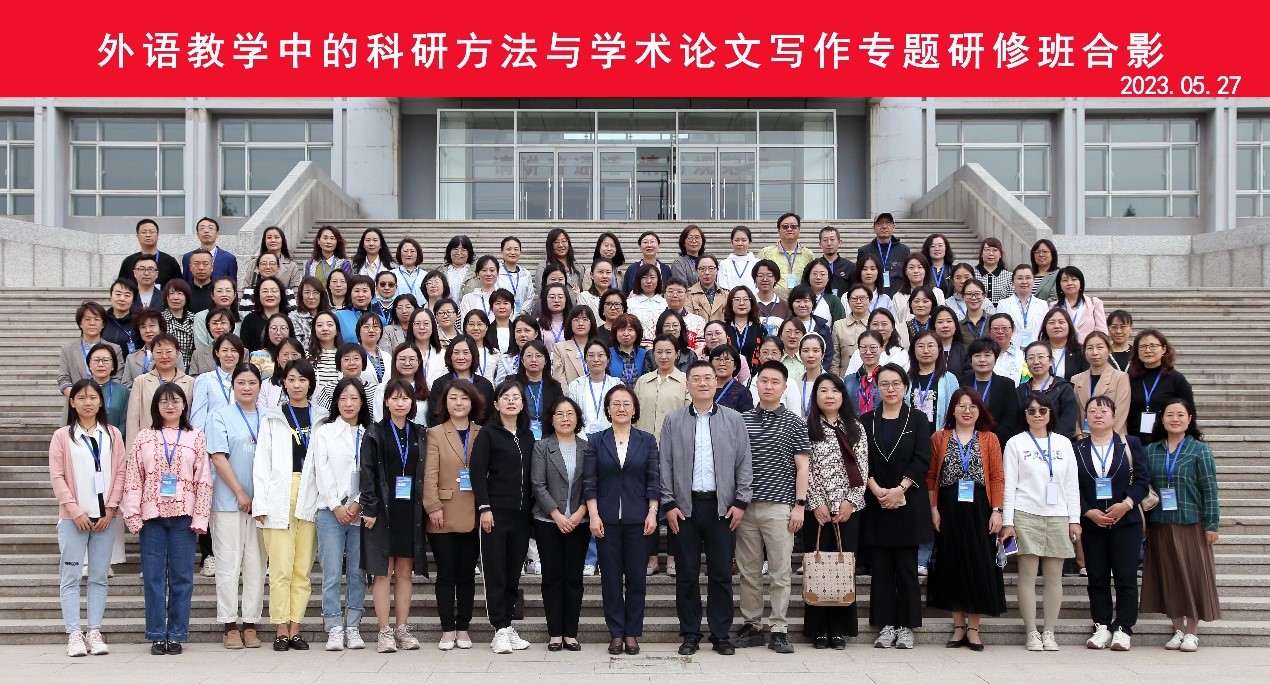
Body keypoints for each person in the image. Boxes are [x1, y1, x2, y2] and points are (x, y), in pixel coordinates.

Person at [660, 362, 753, 656]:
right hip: (684, 509)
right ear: (687, 385)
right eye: (696, 379)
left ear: (716, 383)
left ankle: (721, 633)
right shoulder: (673, 420)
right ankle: (690, 633)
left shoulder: (734, 419)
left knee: (721, 573)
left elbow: (744, 462)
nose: (702, 383)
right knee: (686, 574)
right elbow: (665, 464)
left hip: (721, 508)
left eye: (708, 378)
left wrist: (740, 502)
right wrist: (669, 503)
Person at [120, 383, 212, 655]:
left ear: (184, 405)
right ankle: (157, 634)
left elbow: (204, 479)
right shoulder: (144, 437)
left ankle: (177, 634)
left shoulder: (196, 436)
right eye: (164, 402)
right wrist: (133, 515)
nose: (170, 406)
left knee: (182, 578)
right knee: (153, 578)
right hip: (153, 519)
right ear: (156, 407)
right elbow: (134, 477)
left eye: (175, 401)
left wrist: (201, 518)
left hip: (184, 518)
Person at [732, 361, 809, 655]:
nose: (768, 386)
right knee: (749, 571)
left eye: (775, 382)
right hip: (746, 507)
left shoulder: (794, 422)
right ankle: (752, 625)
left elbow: (803, 467)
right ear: (756, 384)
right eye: (764, 381)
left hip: (780, 507)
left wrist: (799, 506)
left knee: (779, 572)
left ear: (784, 387)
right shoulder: (742, 420)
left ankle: (778, 628)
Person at [49, 379, 127, 657]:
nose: (87, 402)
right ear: (72, 402)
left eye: (93, 397)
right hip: (74, 520)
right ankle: (74, 633)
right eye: (81, 398)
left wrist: (111, 508)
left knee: (98, 577)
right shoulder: (62, 436)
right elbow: (57, 477)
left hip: (105, 519)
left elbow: (121, 472)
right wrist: (75, 511)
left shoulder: (113, 434)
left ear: (100, 401)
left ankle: (94, 630)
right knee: (71, 576)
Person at [926, 389, 1007, 652]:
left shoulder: (989, 439)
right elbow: (931, 476)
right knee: (952, 564)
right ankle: (958, 626)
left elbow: (996, 477)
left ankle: (973, 628)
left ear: (979, 410)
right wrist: (933, 508)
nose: (967, 410)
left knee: (979, 564)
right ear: (953, 410)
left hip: (979, 508)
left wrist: (997, 510)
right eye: (961, 406)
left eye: (972, 406)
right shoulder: (939, 437)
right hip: (948, 508)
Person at [1001, 393, 1081, 652]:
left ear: (1050, 413)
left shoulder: (1063, 443)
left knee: (1054, 577)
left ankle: (1049, 631)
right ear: (1024, 415)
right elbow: (1009, 485)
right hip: (1026, 513)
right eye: (1032, 411)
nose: (1037, 415)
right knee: (1027, 575)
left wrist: (1074, 519)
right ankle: (1031, 632)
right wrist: (1008, 521)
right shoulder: (1015, 443)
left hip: (1058, 515)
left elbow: (1071, 484)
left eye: (1042, 410)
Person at [861, 363, 933, 650]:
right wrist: (877, 489)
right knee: (880, 569)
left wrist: (900, 489)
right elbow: (860, 460)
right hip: (877, 501)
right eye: (884, 384)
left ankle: (906, 626)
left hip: (908, 502)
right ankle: (885, 624)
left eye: (896, 384)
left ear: (905, 387)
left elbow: (922, 458)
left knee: (906, 569)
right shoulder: (866, 421)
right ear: (876, 388)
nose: (890, 389)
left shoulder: (918, 419)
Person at [584, 385, 660, 655]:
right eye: (615, 403)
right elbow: (590, 481)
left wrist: (653, 511)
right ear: (607, 408)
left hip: (639, 519)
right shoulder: (596, 440)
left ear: (635, 408)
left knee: (637, 579)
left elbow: (654, 479)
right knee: (611, 579)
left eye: (627, 404)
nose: (621, 408)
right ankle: (616, 632)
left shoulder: (647, 440)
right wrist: (593, 515)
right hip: (605, 520)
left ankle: (632, 633)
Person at [253, 360, 323, 651]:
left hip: (311, 492)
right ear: (284, 383)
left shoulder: (322, 418)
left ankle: (296, 627)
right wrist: (260, 503)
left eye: (302, 380)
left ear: (310, 384)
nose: (296, 385)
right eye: (291, 379)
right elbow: (262, 462)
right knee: (280, 567)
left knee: (302, 568)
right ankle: (280, 628)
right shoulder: (273, 417)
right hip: (279, 493)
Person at [1141, 398, 1220, 653]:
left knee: (1193, 577)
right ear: (1162, 419)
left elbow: (1209, 490)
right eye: (1170, 414)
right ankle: (1177, 629)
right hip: (1160, 523)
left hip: (1191, 522)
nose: (1175, 419)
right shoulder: (1151, 450)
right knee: (1169, 577)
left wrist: (1211, 524)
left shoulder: (1199, 450)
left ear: (1189, 419)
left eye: (1180, 415)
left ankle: (1192, 632)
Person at [1075, 395, 1150, 651]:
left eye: (1104, 411)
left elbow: (1142, 480)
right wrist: (1088, 511)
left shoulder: (1130, 444)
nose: (1098, 415)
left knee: (1125, 577)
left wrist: (1126, 504)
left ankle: (1124, 628)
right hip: (1092, 523)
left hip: (1126, 521)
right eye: (1092, 411)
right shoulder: (1077, 448)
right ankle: (1102, 626)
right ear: (1086, 417)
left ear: (1114, 416)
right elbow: (1071, 486)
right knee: (1096, 577)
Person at [359, 379, 426, 653]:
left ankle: (402, 628)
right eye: (395, 398)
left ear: (412, 403)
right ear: (386, 401)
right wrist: (369, 507)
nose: (400, 403)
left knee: (405, 572)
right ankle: (384, 631)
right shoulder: (375, 432)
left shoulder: (420, 432)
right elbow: (367, 472)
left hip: (410, 511)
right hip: (382, 511)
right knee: (382, 572)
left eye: (405, 398)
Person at [802, 373, 867, 649]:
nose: (829, 395)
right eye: (823, 390)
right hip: (816, 509)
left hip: (848, 509)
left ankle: (839, 629)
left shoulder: (856, 427)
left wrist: (850, 502)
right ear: (815, 396)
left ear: (843, 395)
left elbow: (862, 467)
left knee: (842, 568)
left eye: (835, 390)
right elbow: (804, 468)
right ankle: (818, 629)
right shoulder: (806, 427)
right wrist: (816, 502)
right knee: (817, 567)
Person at [205, 363, 267, 650]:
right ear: (233, 386)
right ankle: (229, 625)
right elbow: (218, 457)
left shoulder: (270, 417)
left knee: (256, 564)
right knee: (228, 564)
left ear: (259, 386)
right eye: (241, 382)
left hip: (261, 506)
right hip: (228, 503)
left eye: (252, 382)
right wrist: (240, 492)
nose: (246, 387)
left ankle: (250, 624)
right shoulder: (220, 416)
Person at [472, 380, 537, 654]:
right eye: (506, 397)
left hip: (521, 516)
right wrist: (484, 508)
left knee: (513, 573)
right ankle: (498, 628)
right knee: (495, 572)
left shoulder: (528, 436)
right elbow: (477, 473)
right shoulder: (488, 434)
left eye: (516, 397)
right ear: (496, 404)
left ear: (522, 404)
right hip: (495, 514)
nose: (511, 401)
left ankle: (508, 625)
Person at [423, 380, 484, 651]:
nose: (459, 403)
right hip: (443, 513)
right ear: (445, 403)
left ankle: (463, 628)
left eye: (464, 398)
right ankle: (447, 629)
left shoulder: (482, 433)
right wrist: (432, 506)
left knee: (467, 574)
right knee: (446, 574)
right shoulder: (435, 433)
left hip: (473, 513)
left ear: (473, 402)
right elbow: (429, 474)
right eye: (453, 398)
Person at [531, 397, 591, 652]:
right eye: (559, 414)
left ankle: (570, 634)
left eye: (570, 413)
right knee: (552, 578)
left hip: (580, 522)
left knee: (574, 579)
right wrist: (556, 514)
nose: (565, 418)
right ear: (551, 419)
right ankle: (555, 633)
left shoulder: (588, 448)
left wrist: (580, 512)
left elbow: (593, 484)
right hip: (548, 521)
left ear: (577, 418)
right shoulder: (542, 447)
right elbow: (538, 485)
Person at [1127, 329, 1196, 446]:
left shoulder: (1176, 379)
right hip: (1134, 442)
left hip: (1165, 443)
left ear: (1163, 349)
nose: (1148, 350)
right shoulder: (1129, 378)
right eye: (1143, 347)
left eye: (1153, 346)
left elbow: (1190, 412)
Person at [126, 334, 195, 447]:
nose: (164, 356)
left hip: (182, 445)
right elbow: (133, 420)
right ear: (152, 354)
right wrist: (132, 451)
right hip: (149, 446)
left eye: (169, 351)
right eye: (158, 352)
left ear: (177, 353)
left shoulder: (190, 382)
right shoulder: (141, 382)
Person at [960, 337, 1021, 449]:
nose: (982, 360)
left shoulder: (1006, 385)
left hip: (996, 443)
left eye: (987, 355)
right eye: (977, 355)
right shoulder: (961, 383)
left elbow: (1010, 417)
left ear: (995, 359)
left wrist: (993, 440)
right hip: (964, 442)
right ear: (971, 359)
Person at [58, 302, 124, 399]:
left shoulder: (115, 349)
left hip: (107, 402)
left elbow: (117, 378)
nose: (92, 323)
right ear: (80, 323)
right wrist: (79, 398)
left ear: (103, 324)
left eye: (96, 319)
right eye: (87, 319)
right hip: (77, 403)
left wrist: (100, 399)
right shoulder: (68, 350)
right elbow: (63, 379)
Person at [426, 335, 496, 427]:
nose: (461, 357)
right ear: (450, 355)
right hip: (445, 434)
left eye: (466, 353)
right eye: (456, 353)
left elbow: (490, 417)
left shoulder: (485, 385)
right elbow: (433, 416)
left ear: (473, 355)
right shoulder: (439, 384)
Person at [1073, 332, 1131, 439]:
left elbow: (1121, 413)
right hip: (1083, 440)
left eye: (1100, 347)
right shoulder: (1076, 379)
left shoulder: (1121, 377)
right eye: (1090, 348)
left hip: (1113, 439)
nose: (1095, 352)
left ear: (1109, 350)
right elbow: (1072, 412)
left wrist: (1104, 439)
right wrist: (1078, 436)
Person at [634, 335, 689, 443]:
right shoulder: (643, 381)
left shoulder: (686, 381)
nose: (663, 356)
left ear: (677, 354)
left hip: (673, 444)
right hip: (642, 444)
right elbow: (634, 414)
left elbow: (689, 417)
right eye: (659, 352)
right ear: (653, 353)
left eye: (668, 352)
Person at [1019, 341, 1079, 439]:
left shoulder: (1063, 388)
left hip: (1056, 443)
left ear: (1050, 361)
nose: (1036, 362)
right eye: (1031, 358)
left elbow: (1068, 423)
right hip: (1025, 443)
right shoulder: (1020, 390)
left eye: (1041, 357)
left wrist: (1049, 441)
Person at [568, 340, 624, 438]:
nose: (596, 359)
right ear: (585, 359)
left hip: (611, 438)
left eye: (600, 355)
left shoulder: (617, 385)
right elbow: (571, 415)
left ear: (608, 359)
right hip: (582, 438)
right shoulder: (575, 386)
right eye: (591, 355)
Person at [191, 333, 246, 431]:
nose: (229, 355)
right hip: (213, 435)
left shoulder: (247, 382)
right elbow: (198, 416)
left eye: (234, 350)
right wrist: (198, 437)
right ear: (217, 352)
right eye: (224, 350)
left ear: (240, 354)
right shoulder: (205, 379)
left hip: (240, 434)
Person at [758, 212, 816, 296]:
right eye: (785, 227)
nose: (789, 229)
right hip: (774, 299)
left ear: (799, 229)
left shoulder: (808, 255)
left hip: (800, 299)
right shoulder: (766, 253)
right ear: (778, 230)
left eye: (793, 226)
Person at [516, 340, 563, 440]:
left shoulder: (554, 386)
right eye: (529, 356)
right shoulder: (512, 383)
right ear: (522, 360)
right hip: (518, 435)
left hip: (548, 437)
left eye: (538, 356)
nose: (533, 360)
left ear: (545, 360)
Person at [855, 212, 910, 296]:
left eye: (888, 222)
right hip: (873, 298)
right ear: (874, 228)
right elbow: (858, 278)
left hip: (897, 298)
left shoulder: (904, 250)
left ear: (894, 227)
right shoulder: (865, 251)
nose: (884, 226)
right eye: (880, 223)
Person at [118, 218, 183, 286]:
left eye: (151, 232)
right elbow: (121, 286)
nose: (148, 235)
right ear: (137, 237)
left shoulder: (170, 261)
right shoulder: (128, 262)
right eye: (144, 232)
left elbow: (180, 287)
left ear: (158, 235)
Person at [998, 265, 1049, 350]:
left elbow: (1045, 330)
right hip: (1011, 350)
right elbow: (1001, 330)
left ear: (1033, 280)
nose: (1024, 281)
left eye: (1028, 278)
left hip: (1037, 350)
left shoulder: (1042, 305)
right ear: (1012, 281)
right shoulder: (1003, 304)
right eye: (1020, 278)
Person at [241, 226, 302, 291]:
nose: (273, 240)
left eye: (277, 237)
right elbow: (245, 289)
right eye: (269, 237)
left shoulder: (292, 266)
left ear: (282, 240)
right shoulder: (254, 264)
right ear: (264, 241)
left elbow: (296, 291)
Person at [239, 276, 290, 353]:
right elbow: (244, 351)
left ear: (281, 294)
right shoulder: (249, 320)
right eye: (265, 291)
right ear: (258, 295)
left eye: (274, 291)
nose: (269, 294)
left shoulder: (290, 317)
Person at [830, 285, 873, 376]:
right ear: (848, 302)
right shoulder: (839, 325)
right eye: (854, 298)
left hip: (871, 377)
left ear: (870, 301)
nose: (858, 302)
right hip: (845, 377)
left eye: (862, 298)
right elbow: (835, 358)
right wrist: (835, 379)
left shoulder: (875, 324)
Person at [86, 343, 129, 433]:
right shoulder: (81, 389)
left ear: (113, 365)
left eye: (105, 360)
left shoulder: (122, 391)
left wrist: (115, 438)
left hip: (114, 438)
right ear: (89, 364)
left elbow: (124, 422)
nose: (100, 364)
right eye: (96, 360)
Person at [550, 305, 595, 389]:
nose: (580, 323)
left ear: (591, 323)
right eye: (576, 320)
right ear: (570, 323)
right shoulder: (560, 348)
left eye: (585, 319)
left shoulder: (599, 347)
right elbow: (559, 380)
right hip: (571, 395)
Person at [182, 217, 237, 282]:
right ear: (197, 234)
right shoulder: (188, 257)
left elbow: (232, 284)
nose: (206, 231)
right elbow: (185, 284)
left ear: (217, 234)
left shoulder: (229, 259)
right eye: (202, 228)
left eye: (210, 228)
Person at [1039, 308, 1088, 382]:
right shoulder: (1038, 351)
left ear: (1069, 326)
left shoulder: (1081, 351)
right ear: (1045, 327)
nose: (1057, 326)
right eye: (1052, 323)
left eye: (1061, 322)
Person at [894, 256, 947, 321]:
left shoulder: (937, 293)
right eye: (911, 267)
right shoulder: (898, 296)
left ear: (926, 270)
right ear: (905, 271)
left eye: (920, 267)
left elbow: (941, 317)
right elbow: (895, 321)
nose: (916, 271)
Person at [627, 264, 668, 346]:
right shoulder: (629, 303)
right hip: (636, 346)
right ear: (638, 280)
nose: (648, 281)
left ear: (658, 280)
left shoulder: (665, 303)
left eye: (652, 277)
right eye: (644, 277)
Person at [621, 231, 672, 295]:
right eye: (645, 242)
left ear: (659, 246)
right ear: (640, 247)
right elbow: (625, 293)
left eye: (652, 242)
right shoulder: (632, 269)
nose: (649, 245)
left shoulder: (666, 269)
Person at [496, 236, 536, 314]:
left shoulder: (526, 274)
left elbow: (530, 296)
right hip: (502, 315)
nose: (513, 252)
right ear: (502, 252)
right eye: (509, 249)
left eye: (516, 249)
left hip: (522, 317)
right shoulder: (496, 273)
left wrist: (522, 312)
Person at [541, 228, 586, 295]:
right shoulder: (544, 267)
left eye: (563, 241)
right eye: (556, 242)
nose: (561, 245)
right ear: (550, 245)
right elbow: (542, 293)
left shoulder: (579, 267)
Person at [608, 314, 649, 385]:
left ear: (637, 333)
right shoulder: (607, 354)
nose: (626, 334)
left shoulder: (646, 355)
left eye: (630, 330)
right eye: (621, 330)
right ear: (615, 333)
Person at [709, 345, 753, 413]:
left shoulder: (742, 392)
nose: (722, 363)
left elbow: (747, 418)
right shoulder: (705, 387)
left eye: (727, 359)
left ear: (735, 365)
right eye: (717, 359)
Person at [802, 259, 847, 324]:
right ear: (808, 277)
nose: (818, 277)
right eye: (814, 274)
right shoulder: (799, 298)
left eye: (822, 274)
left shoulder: (834, 301)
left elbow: (840, 326)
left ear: (828, 278)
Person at [686, 254, 727, 322]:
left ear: (717, 270)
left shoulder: (727, 295)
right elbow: (689, 322)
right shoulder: (688, 295)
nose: (707, 272)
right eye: (702, 269)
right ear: (696, 271)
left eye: (711, 268)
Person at [817, 226, 856, 296]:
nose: (829, 243)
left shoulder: (850, 267)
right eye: (825, 240)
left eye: (832, 239)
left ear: (839, 242)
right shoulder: (814, 266)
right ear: (820, 244)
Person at [103, 279, 139, 354]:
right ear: (110, 296)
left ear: (133, 300)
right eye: (118, 294)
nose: (122, 299)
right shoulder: (102, 319)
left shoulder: (139, 322)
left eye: (127, 295)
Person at [719, 226, 759, 293]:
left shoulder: (757, 263)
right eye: (736, 240)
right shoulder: (724, 264)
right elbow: (722, 287)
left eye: (744, 240)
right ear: (732, 242)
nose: (740, 243)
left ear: (750, 242)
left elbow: (759, 287)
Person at [989, 313, 1025, 384]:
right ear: (990, 331)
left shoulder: (1022, 356)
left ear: (1012, 330)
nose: (1000, 332)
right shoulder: (983, 356)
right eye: (996, 329)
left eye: (1005, 328)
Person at [974, 238, 1010, 305]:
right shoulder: (973, 274)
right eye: (987, 250)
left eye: (995, 250)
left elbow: (1011, 300)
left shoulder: (1009, 276)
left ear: (1000, 255)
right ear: (981, 254)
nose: (991, 253)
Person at [956, 279, 993, 343]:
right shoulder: (959, 326)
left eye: (977, 294)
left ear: (984, 296)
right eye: (969, 294)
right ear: (963, 296)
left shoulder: (993, 321)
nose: (973, 298)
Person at [922, 233, 956, 298]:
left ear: (946, 248)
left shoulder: (954, 270)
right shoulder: (922, 270)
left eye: (940, 245)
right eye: (933, 246)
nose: (937, 249)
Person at [185, 249, 216, 314]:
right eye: (196, 264)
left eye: (205, 264)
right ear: (190, 267)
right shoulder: (184, 290)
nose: (201, 268)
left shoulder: (218, 290)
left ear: (212, 267)